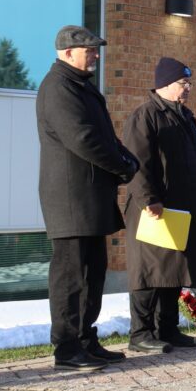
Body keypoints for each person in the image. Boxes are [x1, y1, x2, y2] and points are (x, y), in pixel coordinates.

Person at [36, 25, 139, 370]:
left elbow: (104, 135)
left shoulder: (80, 87)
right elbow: (83, 139)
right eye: (89, 50)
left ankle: (84, 338)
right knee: (71, 275)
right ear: (67, 53)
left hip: (89, 196)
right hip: (70, 199)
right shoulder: (59, 87)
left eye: (96, 49)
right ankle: (66, 348)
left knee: (92, 271)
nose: (95, 54)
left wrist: (128, 159)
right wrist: (122, 164)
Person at [122, 58, 196, 353]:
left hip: (182, 211)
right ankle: (140, 333)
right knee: (149, 272)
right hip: (154, 210)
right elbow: (137, 163)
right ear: (165, 84)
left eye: (189, 83)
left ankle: (167, 328)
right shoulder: (146, 116)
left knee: (173, 272)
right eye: (183, 83)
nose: (188, 88)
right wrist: (149, 199)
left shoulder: (184, 117)